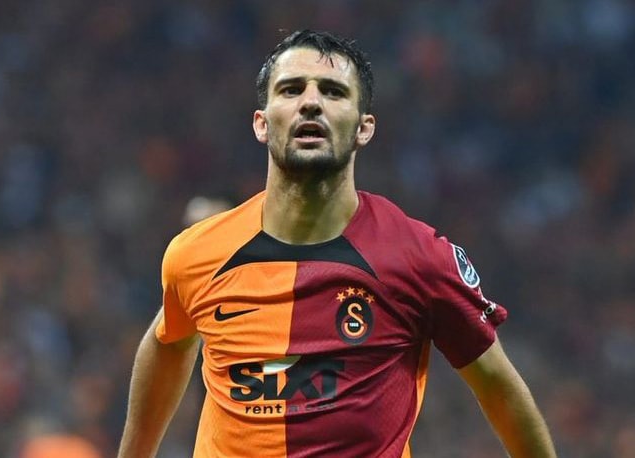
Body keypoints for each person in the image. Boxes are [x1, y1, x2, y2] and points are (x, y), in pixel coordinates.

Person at [118, 30, 557, 457]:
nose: (311, 102)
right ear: (261, 124)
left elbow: (497, 387)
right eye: (291, 90)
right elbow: (168, 341)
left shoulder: (419, 257)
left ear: (364, 128)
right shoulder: (196, 254)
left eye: (333, 92)